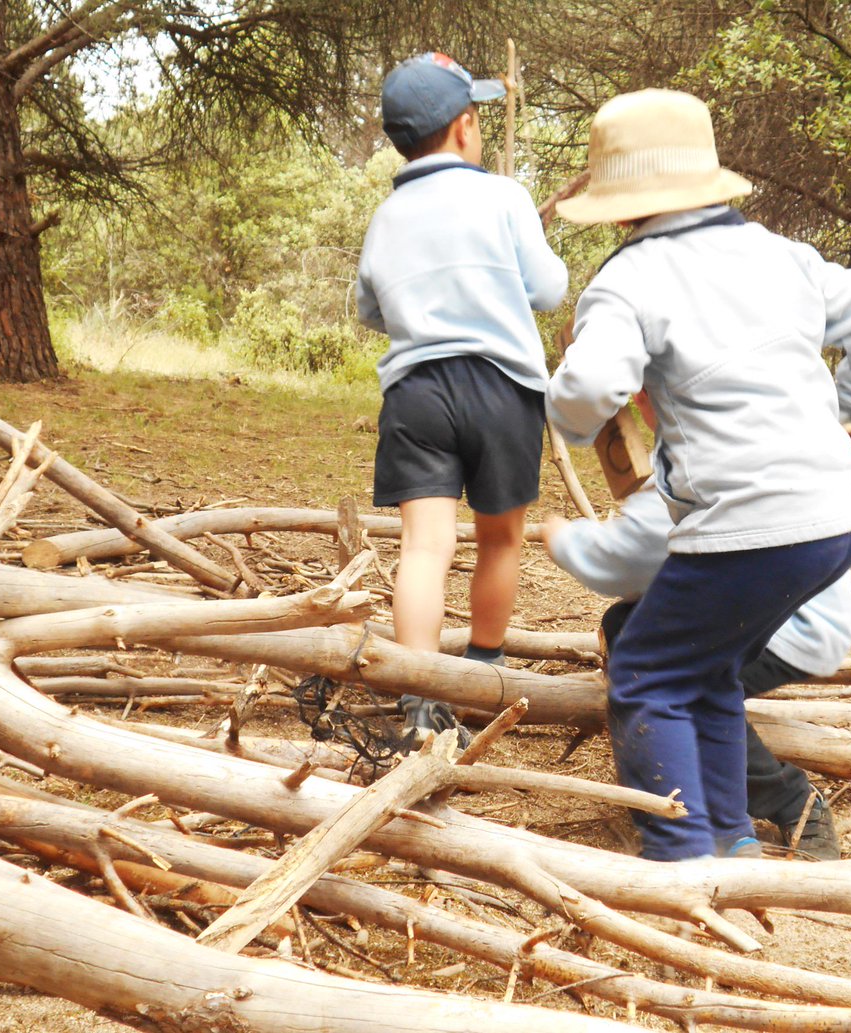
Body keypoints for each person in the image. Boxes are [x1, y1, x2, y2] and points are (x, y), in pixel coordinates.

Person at [545, 88, 851, 862]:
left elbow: (587, 388)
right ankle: (731, 835)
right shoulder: (783, 254)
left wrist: (570, 425)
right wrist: (847, 410)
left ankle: (679, 858)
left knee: (645, 668)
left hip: (749, 526)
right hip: (837, 520)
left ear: (619, 206)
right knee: (704, 665)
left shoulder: (629, 278)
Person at [355, 52, 569, 746]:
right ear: (466, 127)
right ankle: (483, 667)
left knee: (425, 545)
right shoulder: (504, 197)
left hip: (417, 390)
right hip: (503, 386)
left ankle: (420, 696)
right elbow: (546, 290)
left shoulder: (388, 215)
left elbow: (370, 308)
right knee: (500, 536)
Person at [543, 484, 851, 859]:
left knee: (673, 673)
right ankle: (725, 828)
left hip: (794, 626)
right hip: (794, 604)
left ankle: (786, 803)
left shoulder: (703, 458)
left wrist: (564, 538)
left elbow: (626, 562)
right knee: (628, 625)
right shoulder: (772, 436)